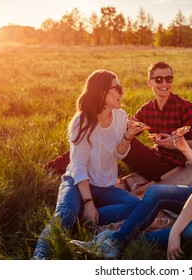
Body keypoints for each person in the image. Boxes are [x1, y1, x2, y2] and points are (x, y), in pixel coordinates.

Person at [70, 84, 192, 260]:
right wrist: (184, 149)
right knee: (156, 192)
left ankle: (125, 242)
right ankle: (116, 241)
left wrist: (175, 231)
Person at [32, 70, 143, 259]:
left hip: (105, 185)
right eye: (117, 88)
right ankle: (39, 258)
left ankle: (82, 218)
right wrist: (88, 201)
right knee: (64, 215)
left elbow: (119, 153)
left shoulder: (120, 115)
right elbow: (78, 166)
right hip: (77, 182)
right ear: (101, 93)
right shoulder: (81, 121)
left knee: (135, 205)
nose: (122, 92)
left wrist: (127, 137)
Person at [122, 61, 192, 182]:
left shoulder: (185, 107)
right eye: (159, 79)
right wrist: (128, 124)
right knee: (119, 136)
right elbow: (131, 131)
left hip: (176, 167)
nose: (165, 84)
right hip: (155, 159)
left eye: (169, 79)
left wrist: (176, 144)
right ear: (149, 82)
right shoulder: (146, 109)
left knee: (122, 140)